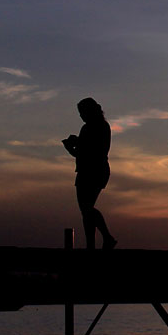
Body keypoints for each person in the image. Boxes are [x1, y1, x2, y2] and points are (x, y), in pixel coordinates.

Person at [62, 97, 116, 250]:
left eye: (82, 112)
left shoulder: (92, 128)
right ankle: (93, 243)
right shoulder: (102, 126)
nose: (81, 116)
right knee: (86, 210)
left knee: (86, 208)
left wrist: (73, 146)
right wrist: (75, 146)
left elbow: (87, 151)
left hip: (91, 171)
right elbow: (84, 151)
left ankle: (106, 237)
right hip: (96, 170)